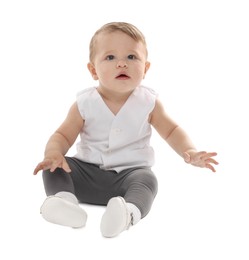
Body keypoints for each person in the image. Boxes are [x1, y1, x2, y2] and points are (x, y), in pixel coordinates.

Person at [33, 22, 218, 238]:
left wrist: (191, 152)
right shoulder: (85, 103)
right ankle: (65, 203)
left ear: (146, 68)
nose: (122, 64)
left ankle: (127, 213)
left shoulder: (148, 102)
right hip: (86, 174)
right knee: (55, 168)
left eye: (131, 57)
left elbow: (172, 130)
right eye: (110, 57)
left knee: (148, 180)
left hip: (129, 177)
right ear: (93, 70)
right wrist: (53, 154)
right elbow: (62, 135)